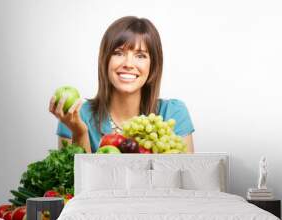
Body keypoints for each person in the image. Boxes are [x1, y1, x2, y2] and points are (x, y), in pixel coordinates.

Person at [49, 16, 195, 153]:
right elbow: (75, 179)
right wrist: (79, 133)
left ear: (153, 66)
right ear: (105, 61)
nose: (128, 64)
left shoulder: (173, 114)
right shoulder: (76, 116)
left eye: (140, 56)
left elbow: (185, 176)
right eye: (118, 53)